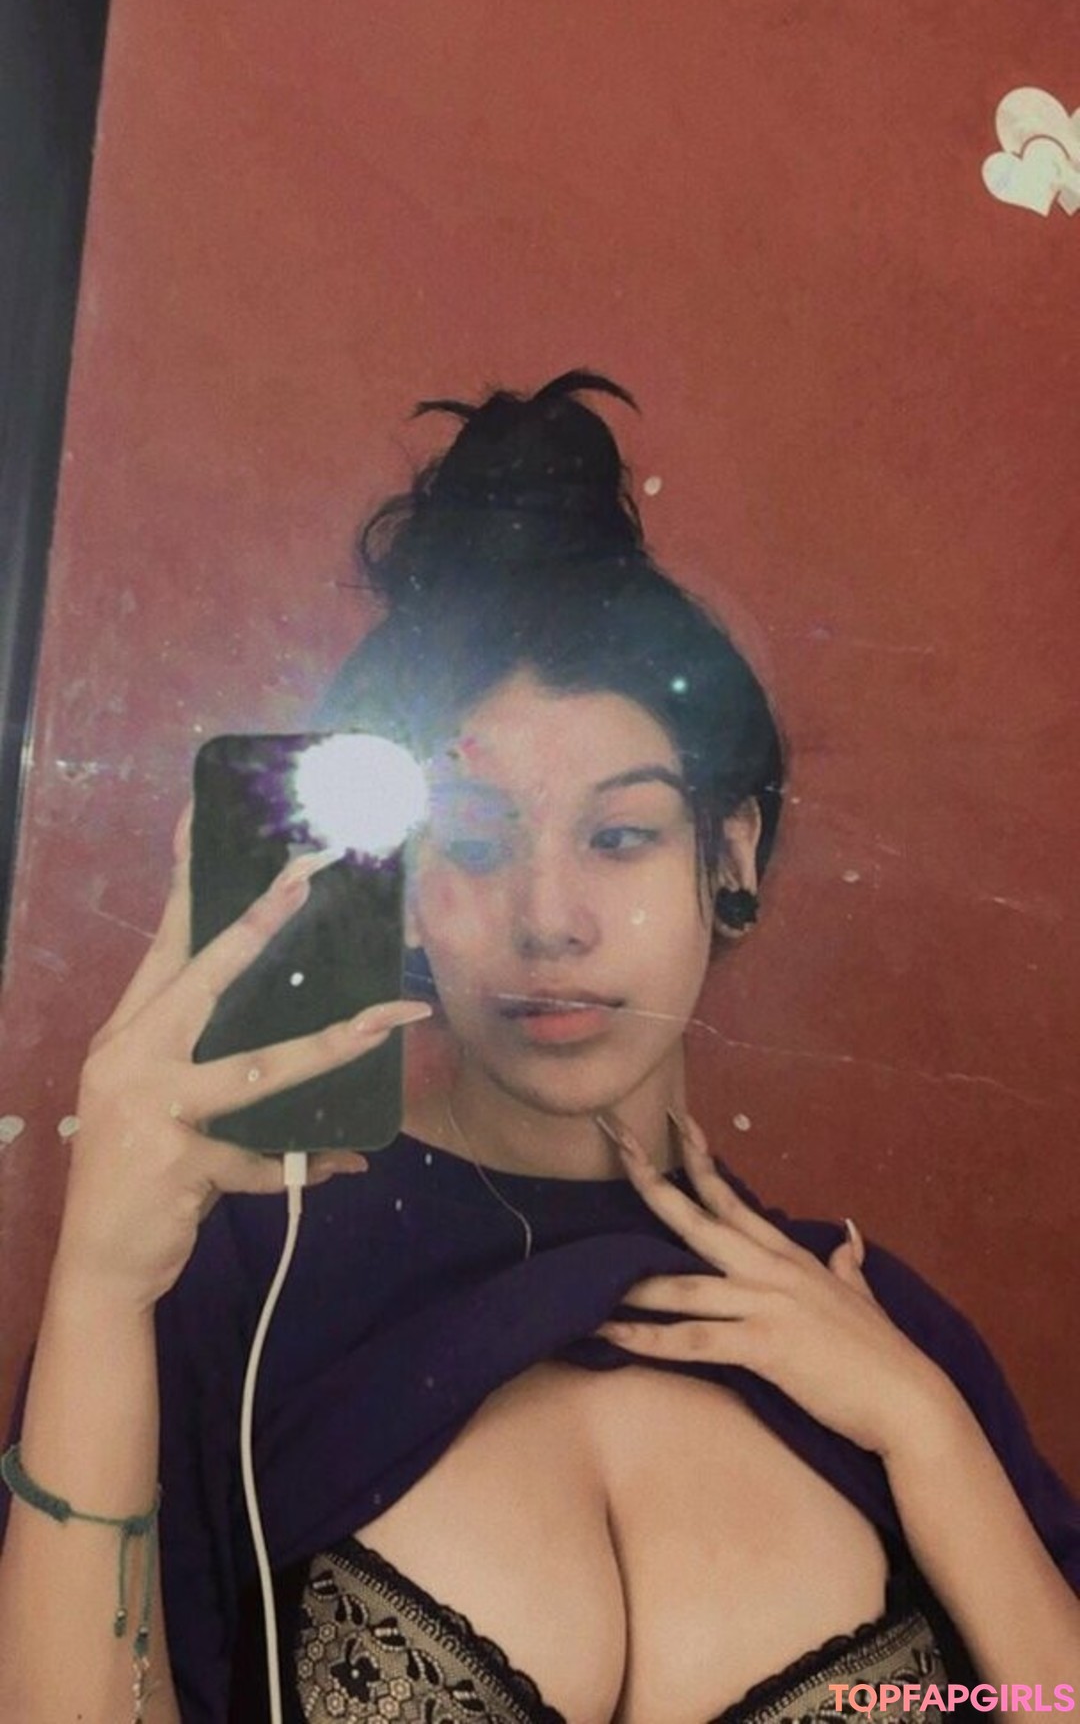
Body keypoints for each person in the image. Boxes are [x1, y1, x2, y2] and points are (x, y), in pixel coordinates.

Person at [0, 372, 1077, 1724]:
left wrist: (931, 1439)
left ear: (728, 854)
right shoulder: (239, 1273)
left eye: (619, 836)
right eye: (473, 842)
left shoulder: (872, 1324)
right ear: (396, 881)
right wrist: (99, 1290)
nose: (548, 918)